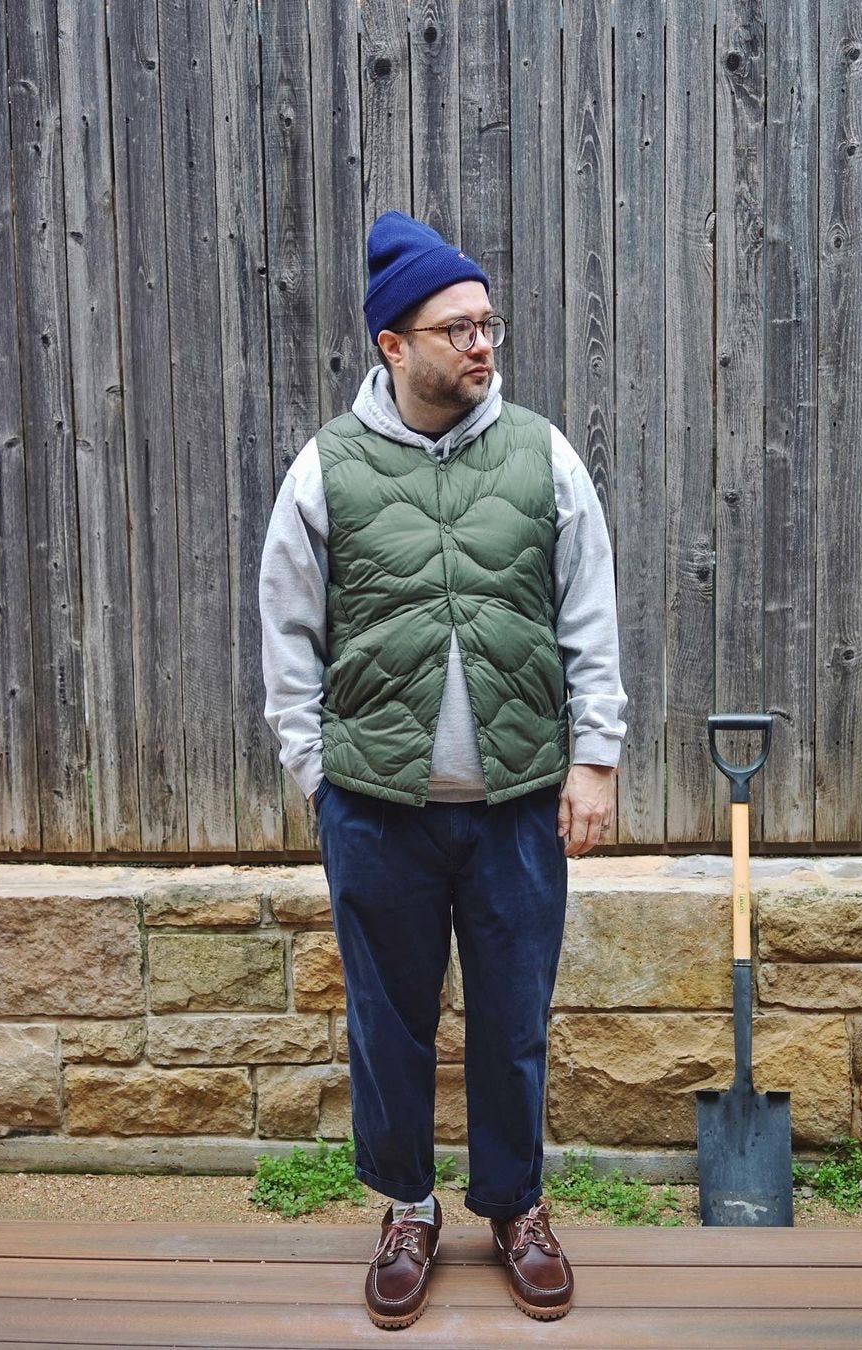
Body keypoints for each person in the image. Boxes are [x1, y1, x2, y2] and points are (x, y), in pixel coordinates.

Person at [259, 211, 627, 1329]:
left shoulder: (543, 453)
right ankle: (408, 1210)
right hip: (376, 809)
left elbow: (589, 611)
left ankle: (516, 1208)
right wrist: (315, 774)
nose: (482, 345)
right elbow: (287, 631)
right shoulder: (326, 468)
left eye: (487, 323)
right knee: (389, 1021)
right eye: (456, 327)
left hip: (517, 808)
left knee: (514, 1020)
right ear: (392, 344)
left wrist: (595, 759)